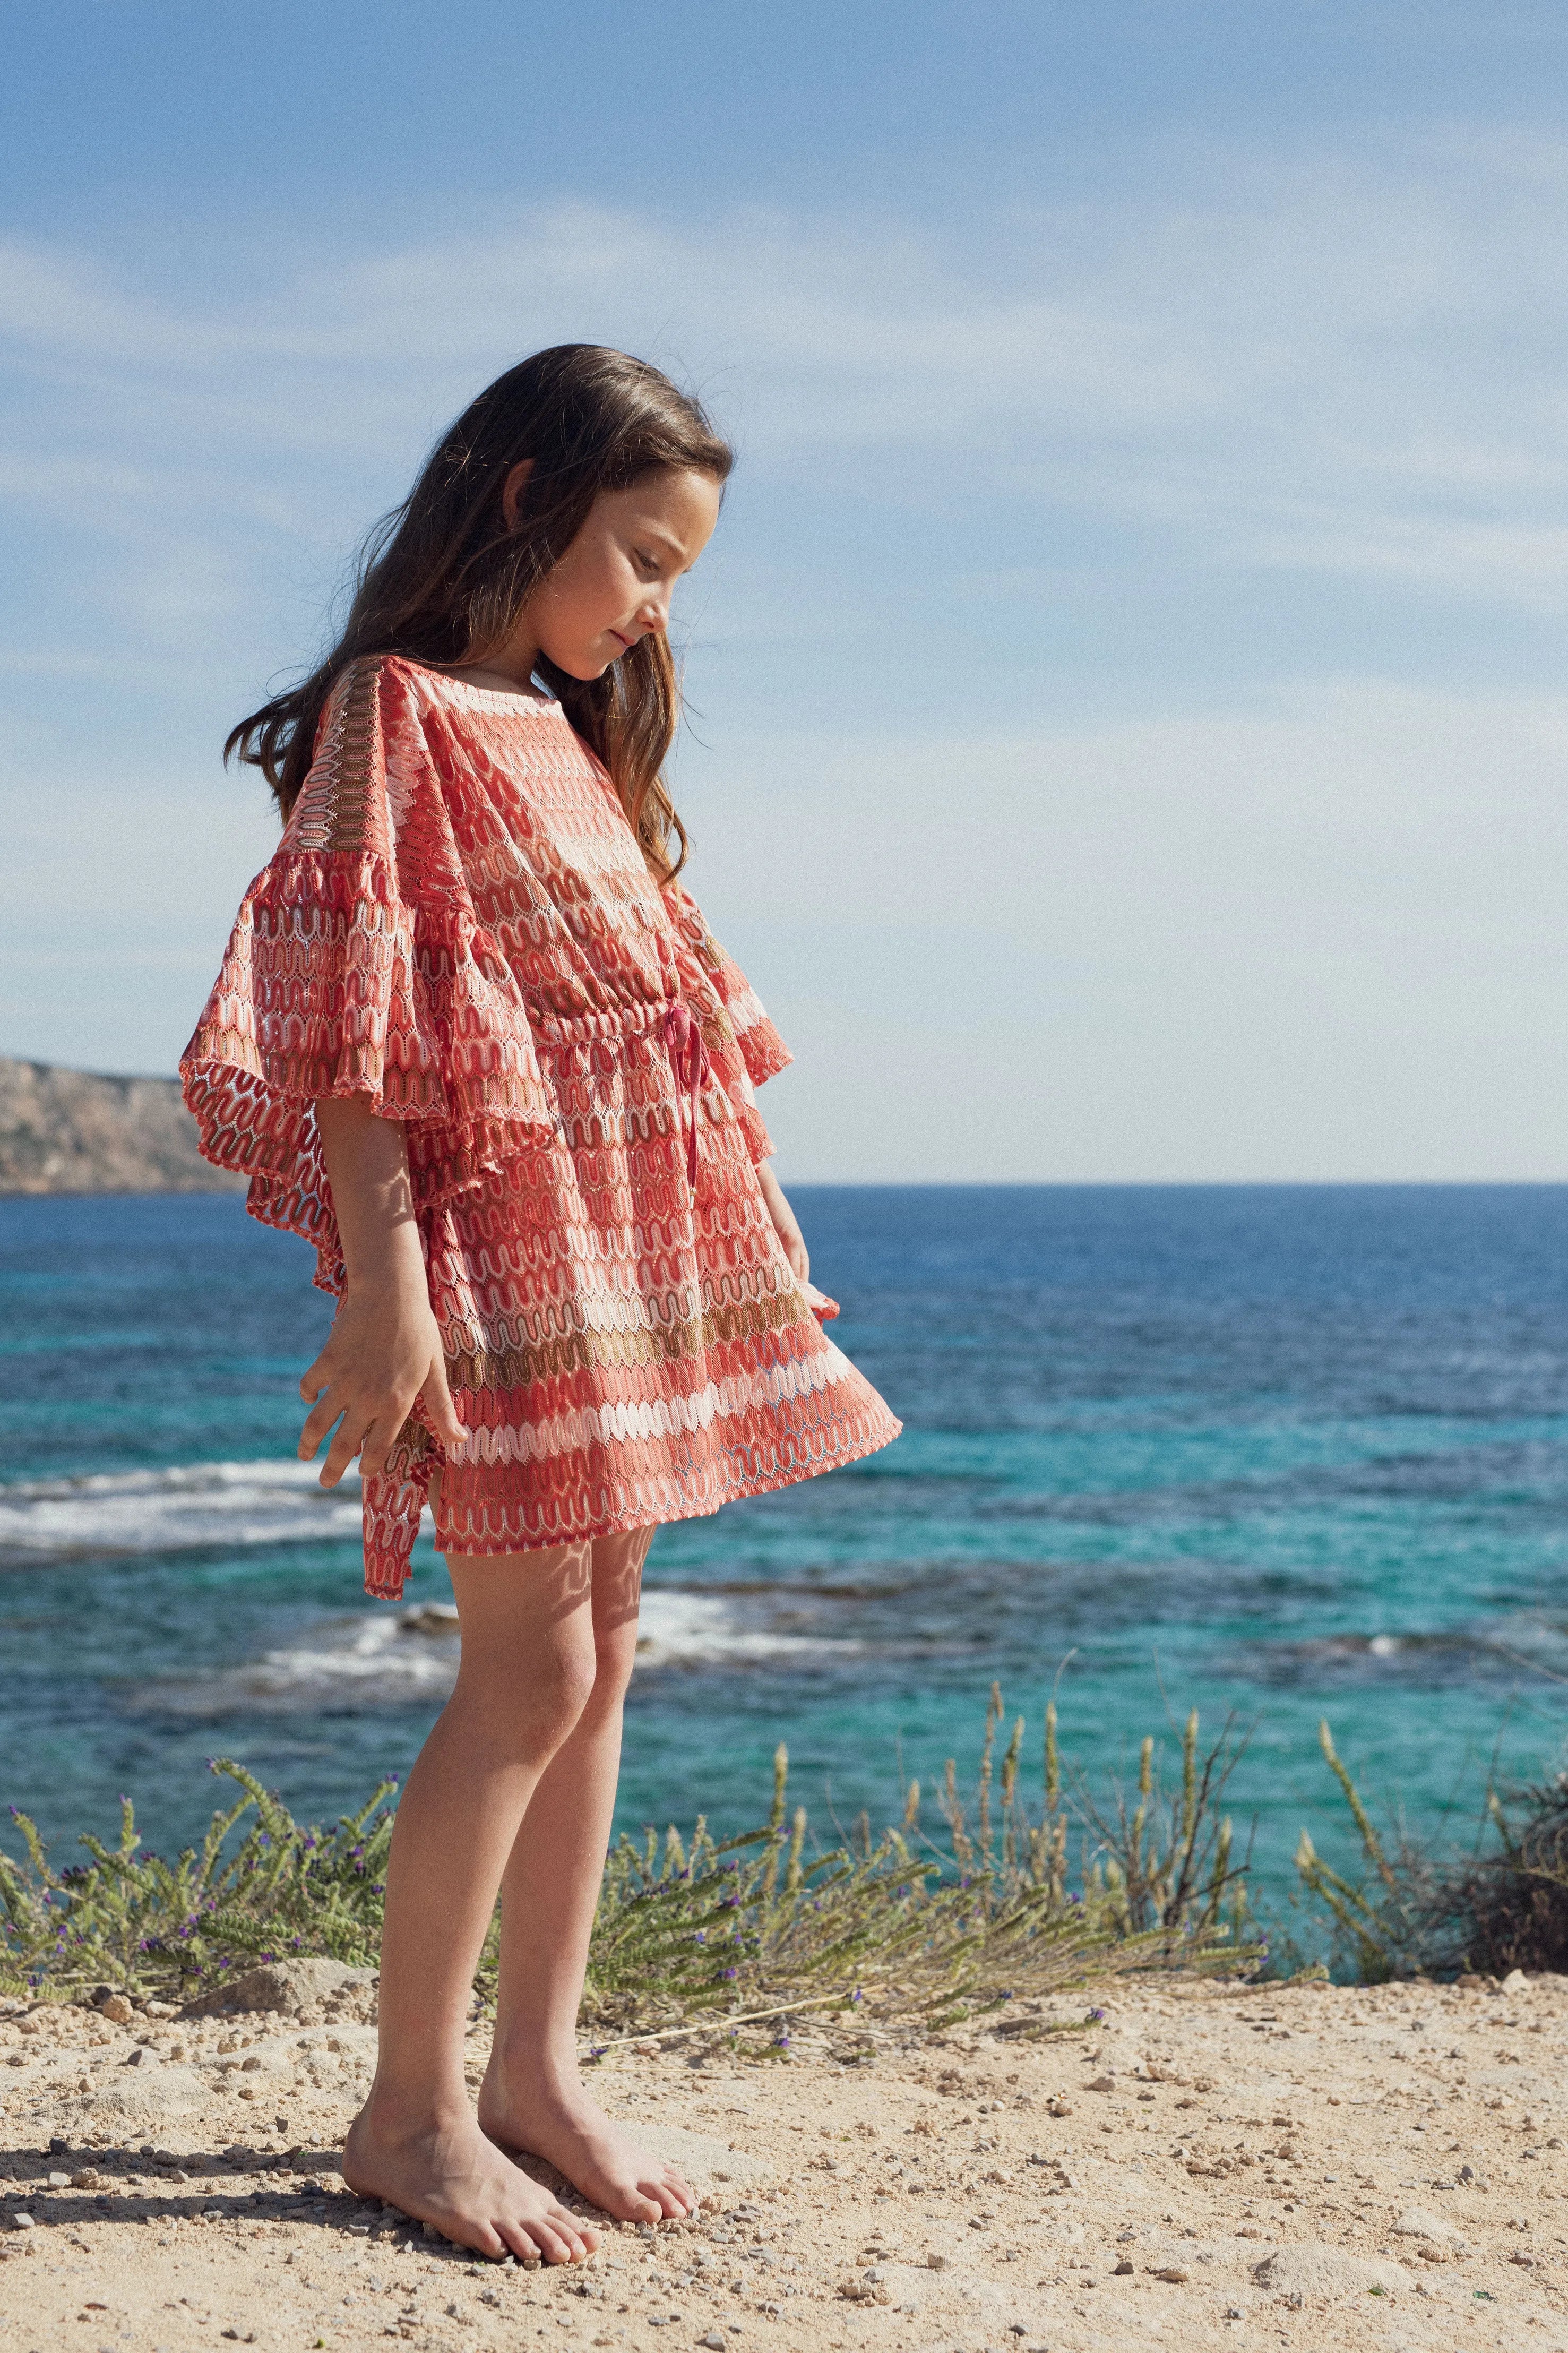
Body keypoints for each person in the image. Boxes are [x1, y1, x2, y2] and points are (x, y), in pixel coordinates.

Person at [180, 346, 901, 2265]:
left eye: (677, 575)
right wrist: (387, 1299)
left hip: (628, 1246)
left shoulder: (566, 736)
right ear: (523, 502)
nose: (655, 607)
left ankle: (537, 2074)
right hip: (498, 1244)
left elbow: (660, 1024)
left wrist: (747, 1239)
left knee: (605, 1647)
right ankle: (408, 2111)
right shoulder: (396, 716)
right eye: (641, 556)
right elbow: (354, 1039)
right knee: (527, 1672)